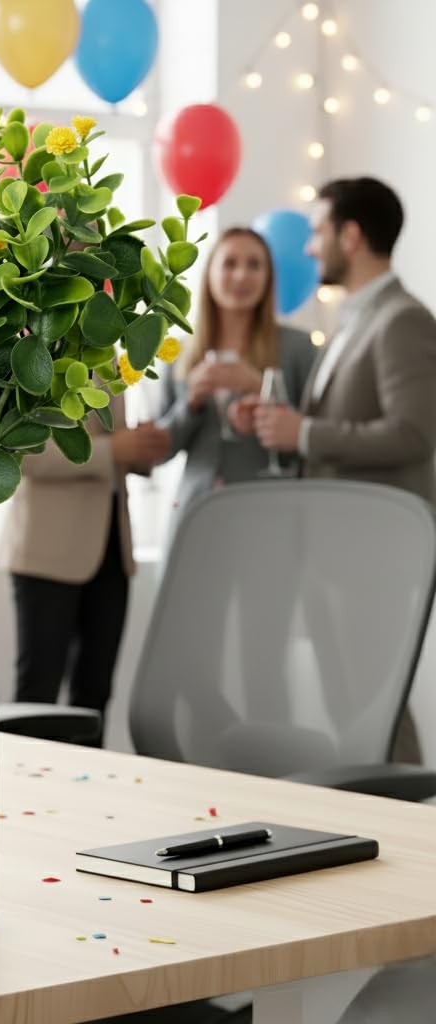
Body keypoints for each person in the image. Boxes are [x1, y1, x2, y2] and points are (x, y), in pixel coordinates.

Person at [234, 176, 436, 761]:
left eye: (318, 230)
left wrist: (306, 432)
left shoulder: (402, 320)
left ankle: (413, 837)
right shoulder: (355, 319)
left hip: (375, 552)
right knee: (354, 707)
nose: (308, 247)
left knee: (377, 709)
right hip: (338, 551)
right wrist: (287, 428)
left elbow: (416, 434)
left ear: (351, 235)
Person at [0, 396, 170, 725]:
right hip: (47, 550)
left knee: (95, 695)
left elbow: (115, 441)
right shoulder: (32, 346)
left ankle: (88, 776)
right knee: (37, 694)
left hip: (112, 547)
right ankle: (27, 777)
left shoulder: (113, 354)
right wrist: (112, 450)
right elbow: (19, 451)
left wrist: (141, 448)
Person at [157, 227, 315, 533]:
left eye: (255, 265)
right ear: (209, 273)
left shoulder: (299, 347)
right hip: (196, 515)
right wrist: (190, 402)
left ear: (268, 277)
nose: (242, 275)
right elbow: (159, 450)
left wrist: (260, 388)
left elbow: (315, 436)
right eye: (230, 263)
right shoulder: (178, 352)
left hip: (271, 518)